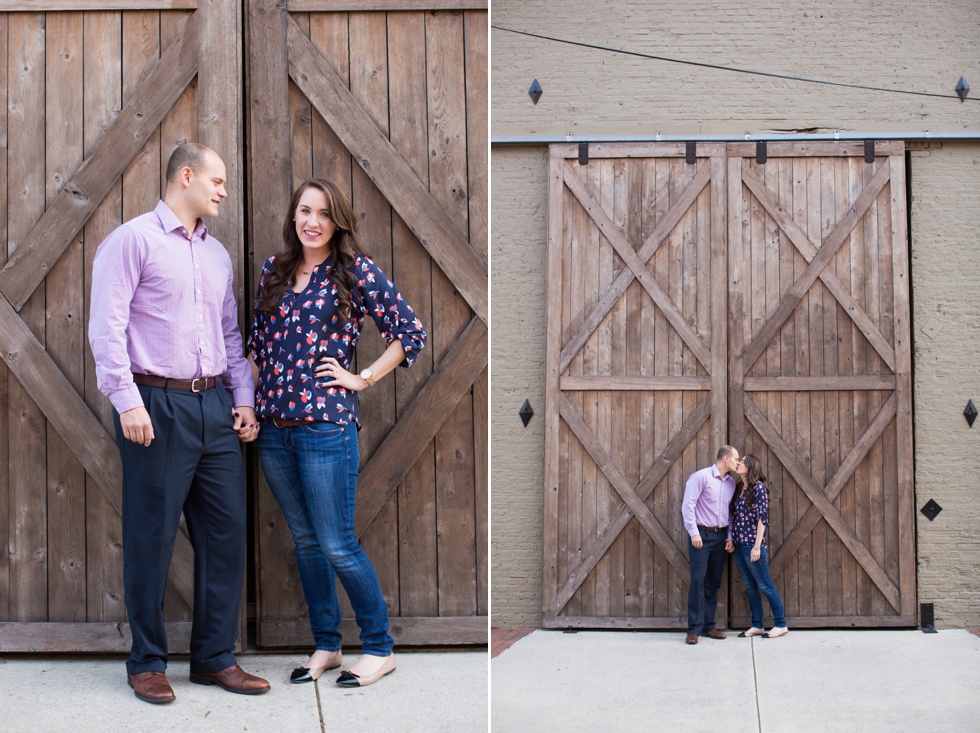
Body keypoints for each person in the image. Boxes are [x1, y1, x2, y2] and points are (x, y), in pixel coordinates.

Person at [89, 143, 269, 703]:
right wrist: (127, 400)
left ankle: (214, 658)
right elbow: (106, 327)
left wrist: (242, 396)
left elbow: (230, 336)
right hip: (155, 406)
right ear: (185, 176)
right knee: (152, 537)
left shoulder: (216, 256)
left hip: (214, 406)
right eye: (216, 180)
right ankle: (146, 661)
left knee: (225, 536)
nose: (222, 190)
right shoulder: (132, 241)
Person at [248, 178, 426, 688]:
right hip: (273, 428)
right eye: (305, 211)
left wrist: (360, 377)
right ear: (293, 216)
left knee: (336, 542)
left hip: (326, 425)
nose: (313, 221)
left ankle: (379, 647)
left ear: (337, 221)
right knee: (305, 541)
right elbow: (258, 348)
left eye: (324, 213)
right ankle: (326, 644)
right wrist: (247, 406)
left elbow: (409, 332)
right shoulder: (275, 272)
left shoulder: (354, 272)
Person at [682, 445, 740, 644]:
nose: (738, 463)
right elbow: (687, 505)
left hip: (721, 537)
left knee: (713, 583)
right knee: (698, 581)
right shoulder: (701, 477)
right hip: (702, 536)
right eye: (735, 459)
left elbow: (730, 514)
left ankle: (709, 626)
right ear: (725, 458)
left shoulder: (731, 483)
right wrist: (694, 533)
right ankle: (693, 629)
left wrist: (730, 536)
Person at [730, 454, 788, 638]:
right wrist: (731, 538)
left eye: (743, 461)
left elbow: (762, 518)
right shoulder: (739, 487)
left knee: (765, 584)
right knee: (750, 585)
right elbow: (734, 517)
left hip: (752, 546)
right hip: (739, 545)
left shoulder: (758, 488)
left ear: (752, 467)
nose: (739, 463)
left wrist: (757, 546)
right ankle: (757, 625)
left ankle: (781, 624)